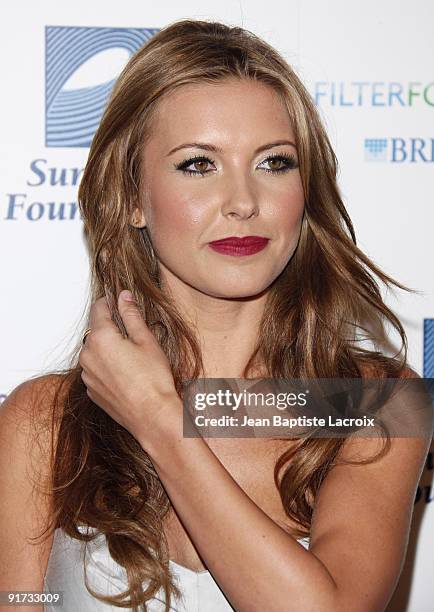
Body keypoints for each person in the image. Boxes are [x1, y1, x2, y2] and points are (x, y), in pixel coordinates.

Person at [0, 18, 431, 612]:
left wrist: (159, 419)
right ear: (130, 198)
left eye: (274, 163)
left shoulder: (375, 404)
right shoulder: (44, 421)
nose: (243, 202)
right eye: (199, 164)